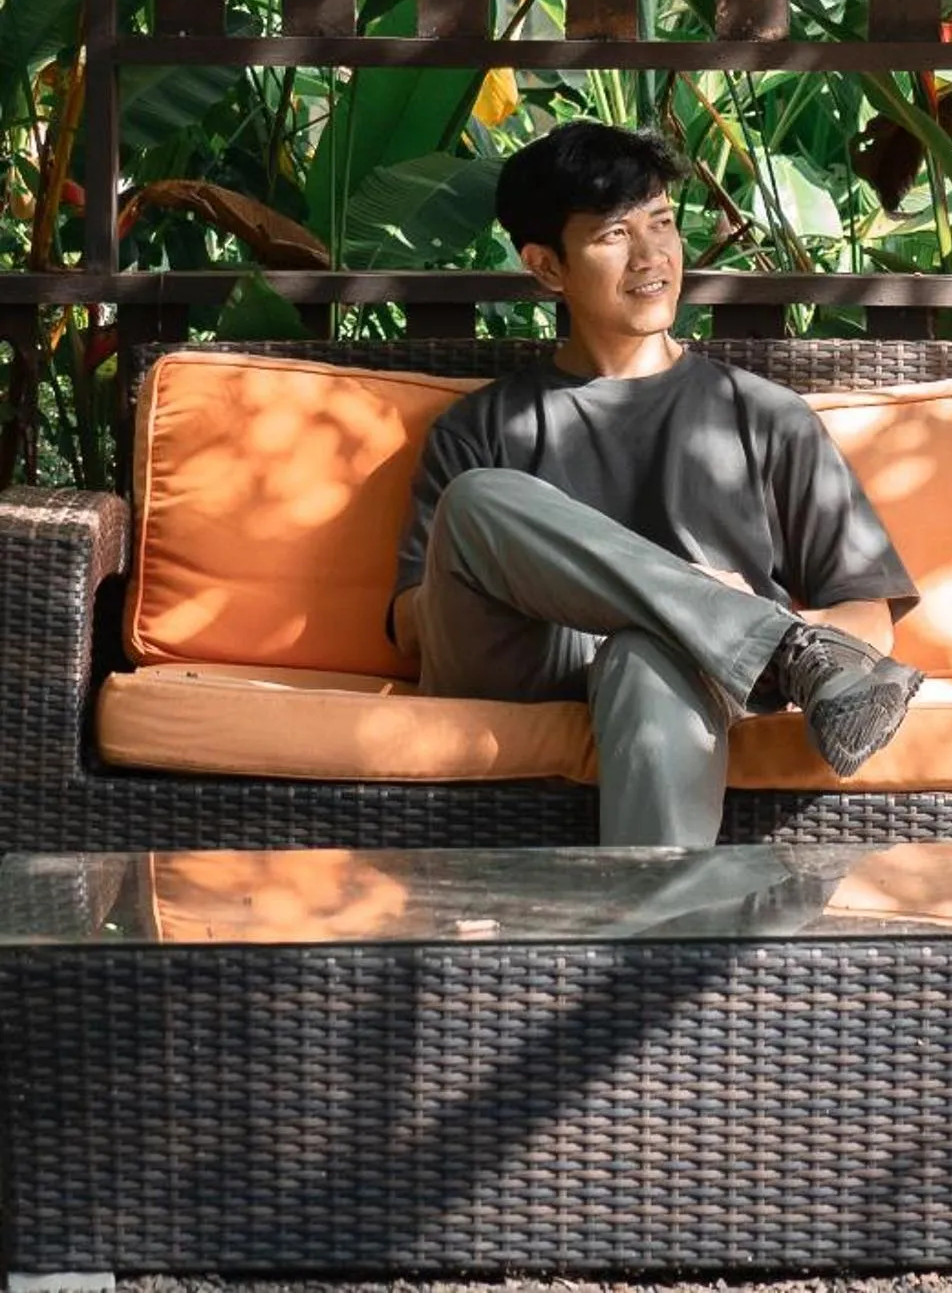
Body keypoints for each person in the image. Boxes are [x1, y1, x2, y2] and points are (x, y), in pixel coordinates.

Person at [391, 120, 924, 848]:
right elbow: (414, 627)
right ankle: (769, 645)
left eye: (663, 223)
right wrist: (671, 593)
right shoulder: (481, 424)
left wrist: (659, 621)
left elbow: (870, 616)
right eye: (614, 234)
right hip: (522, 659)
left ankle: (657, 949)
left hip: (683, 676)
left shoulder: (764, 416)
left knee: (648, 652)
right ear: (548, 266)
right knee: (480, 496)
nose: (653, 256)